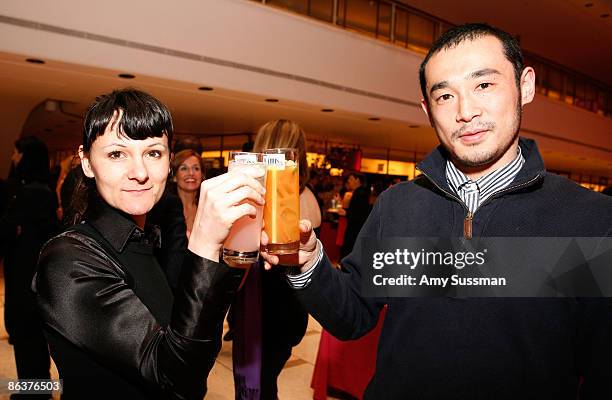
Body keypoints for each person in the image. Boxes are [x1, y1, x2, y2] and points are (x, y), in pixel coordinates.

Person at [262, 23, 612, 398]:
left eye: (484, 85)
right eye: (445, 96)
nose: (465, 111)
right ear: (427, 109)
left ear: (524, 86)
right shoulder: (399, 206)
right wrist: (308, 261)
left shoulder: (590, 219)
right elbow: (353, 317)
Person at [32, 88, 266, 399]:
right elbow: (175, 378)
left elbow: (189, 333)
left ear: (169, 161)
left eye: (153, 153)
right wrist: (204, 245)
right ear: (87, 163)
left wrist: (239, 246)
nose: (140, 173)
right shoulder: (69, 260)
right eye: (117, 154)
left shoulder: (145, 240)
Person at [1, 136, 57, 399]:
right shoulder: (42, 190)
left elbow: (15, 234)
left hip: (25, 283)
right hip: (34, 282)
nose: (13, 158)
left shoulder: (29, 193)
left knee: (28, 345)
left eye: (16, 153)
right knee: (32, 345)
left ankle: (33, 394)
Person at [169, 149, 205, 238]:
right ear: (174, 177)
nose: (191, 173)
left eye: (196, 168)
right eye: (184, 168)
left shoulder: (207, 208)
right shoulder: (166, 211)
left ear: (202, 175)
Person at [340, 171, 371, 258]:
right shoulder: (360, 192)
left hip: (355, 230)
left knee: (349, 252)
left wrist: (346, 213)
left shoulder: (360, 193)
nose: (348, 181)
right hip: (356, 230)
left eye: (351, 179)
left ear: (357, 180)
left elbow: (360, 214)